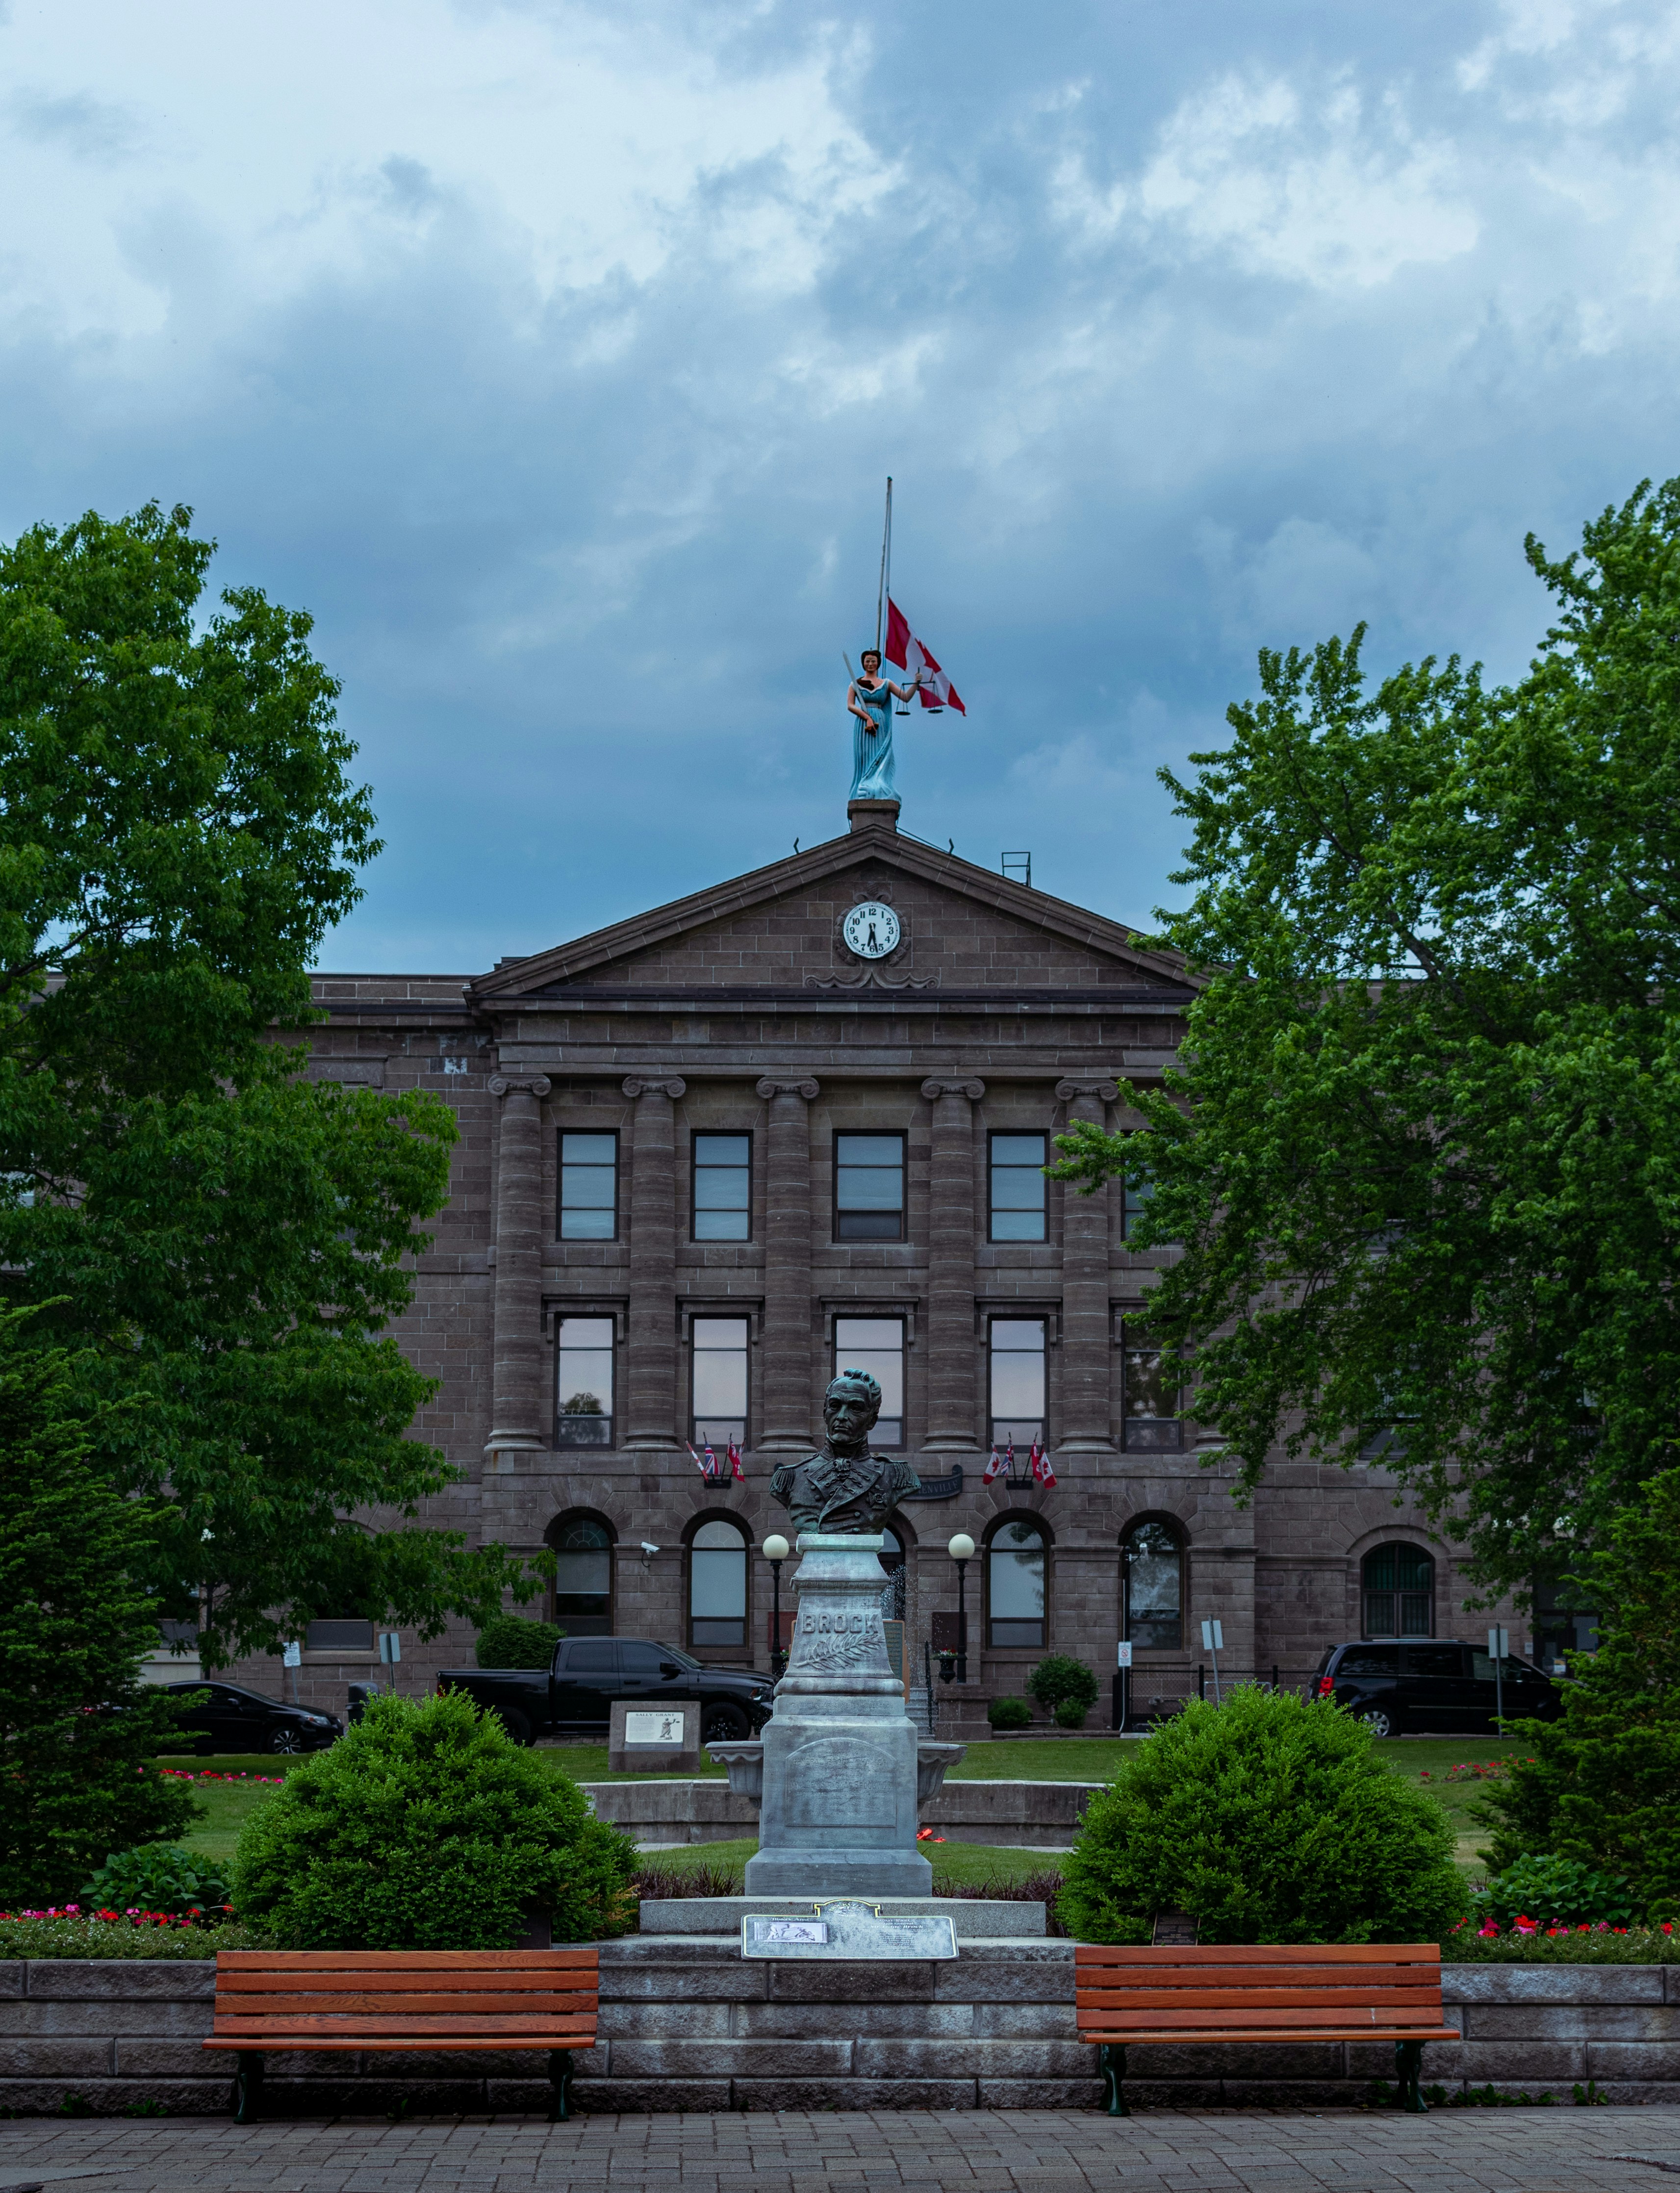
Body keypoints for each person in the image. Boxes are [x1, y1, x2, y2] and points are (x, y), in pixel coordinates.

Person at [768, 1370, 921, 1533]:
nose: (842, 1416)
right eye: (835, 1406)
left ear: (872, 1421)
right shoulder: (792, 1478)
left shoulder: (895, 1476)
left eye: (855, 1408)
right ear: (825, 1414)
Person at [846, 648, 923, 800]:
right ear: (863, 663)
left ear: (878, 664)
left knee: (880, 755)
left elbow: (905, 697)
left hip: (880, 724)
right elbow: (850, 705)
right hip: (863, 725)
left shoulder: (885, 683)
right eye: (867, 661)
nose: (870, 664)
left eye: (873, 661)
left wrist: (916, 683)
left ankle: (879, 785)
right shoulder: (855, 684)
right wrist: (866, 717)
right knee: (865, 756)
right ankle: (864, 785)